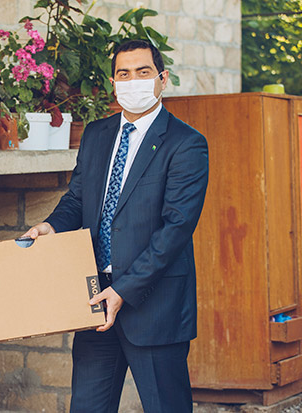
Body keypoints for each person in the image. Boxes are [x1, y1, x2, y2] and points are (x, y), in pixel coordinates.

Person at [24, 40, 209, 412]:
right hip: (94, 299)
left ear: (163, 79)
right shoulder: (97, 134)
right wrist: (51, 227)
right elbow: (78, 199)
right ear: (113, 83)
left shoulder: (186, 143)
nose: (133, 80)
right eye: (124, 73)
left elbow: (175, 229)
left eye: (143, 72)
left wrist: (123, 289)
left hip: (154, 305)